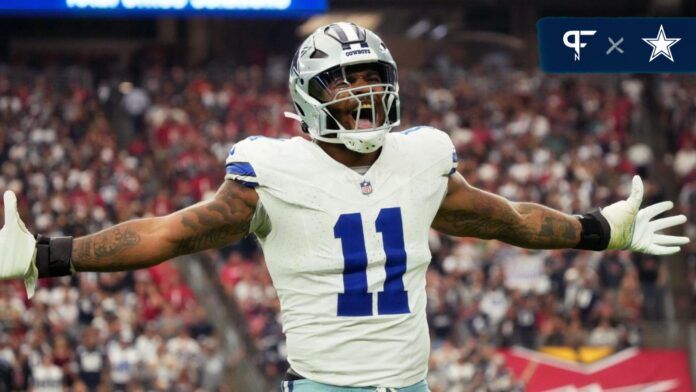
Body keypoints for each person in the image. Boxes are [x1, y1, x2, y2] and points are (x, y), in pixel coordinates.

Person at [0, 22, 690, 392]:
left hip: (412, 386)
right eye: (342, 81)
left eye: (372, 78)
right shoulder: (270, 170)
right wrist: (49, 254)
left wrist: (597, 231)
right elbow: (172, 234)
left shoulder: (421, 157)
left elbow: (506, 219)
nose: (362, 94)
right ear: (306, 95)